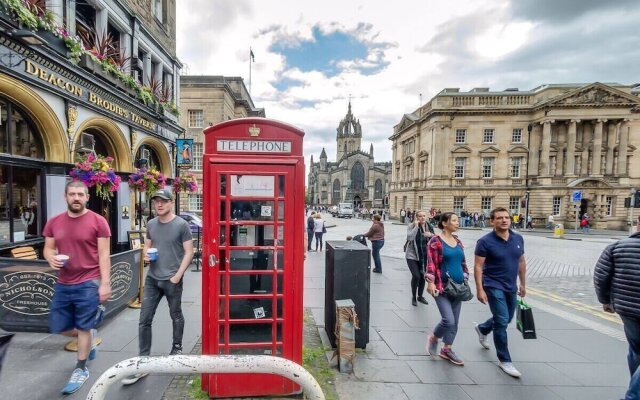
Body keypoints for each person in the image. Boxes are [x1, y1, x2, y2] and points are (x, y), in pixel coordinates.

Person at [43, 180, 111, 394]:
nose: (76, 198)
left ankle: (80, 368)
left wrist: (105, 284)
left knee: (82, 326)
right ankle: (89, 339)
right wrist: (50, 258)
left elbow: (103, 255)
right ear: (65, 197)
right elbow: (48, 248)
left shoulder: (99, 222)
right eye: (72, 194)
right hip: (64, 281)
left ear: (87, 197)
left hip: (88, 282)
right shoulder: (54, 222)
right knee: (59, 327)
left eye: (80, 194)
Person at [122, 188, 194, 385]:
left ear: (171, 203)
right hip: (153, 279)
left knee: (175, 314)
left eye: (163, 201)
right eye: (156, 201)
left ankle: (176, 348)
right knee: (144, 320)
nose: (159, 204)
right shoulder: (151, 223)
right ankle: (143, 361)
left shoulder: (181, 225)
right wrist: (146, 255)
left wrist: (178, 275)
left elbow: (189, 251)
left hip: (172, 279)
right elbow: (148, 244)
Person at [473, 207, 526, 378]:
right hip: (492, 284)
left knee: (507, 317)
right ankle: (505, 360)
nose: (504, 220)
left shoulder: (518, 238)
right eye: (499, 218)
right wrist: (480, 289)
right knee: (502, 321)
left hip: (510, 285)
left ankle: (482, 328)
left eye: (506, 217)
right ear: (492, 221)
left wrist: (523, 283)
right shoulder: (485, 242)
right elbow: (478, 266)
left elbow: (521, 261)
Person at [594, 216, 640, 400]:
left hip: (627, 309)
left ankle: (635, 386)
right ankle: (632, 396)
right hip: (628, 308)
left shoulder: (617, 247)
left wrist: (605, 300)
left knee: (636, 350)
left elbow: (601, 275)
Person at [426, 212, 469, 366]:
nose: (458, 223)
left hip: (458, 288)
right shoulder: (435, 241)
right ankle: (434, 338)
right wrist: (430, 282)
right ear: (444, 223)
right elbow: (431, 263)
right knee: (448, 320)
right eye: (455, 220)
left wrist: (465, 276)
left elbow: (462, 263)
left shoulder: (458, 241)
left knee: (455, 322)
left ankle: (447, 349)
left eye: (458, 220)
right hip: (442, 287)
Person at [405, 210, 434, 306]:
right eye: (420, 216)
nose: (422, 218)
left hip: (424, 256)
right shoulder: (411, 226)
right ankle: (413, 296)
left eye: (424, 216)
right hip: (412, 255)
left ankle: (420, 296)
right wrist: (416, 227)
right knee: (416, 276)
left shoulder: (429, 226)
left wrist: (431, 235)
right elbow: (410, 237)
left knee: (422, 276)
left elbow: (435, 239)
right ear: (416, 217)